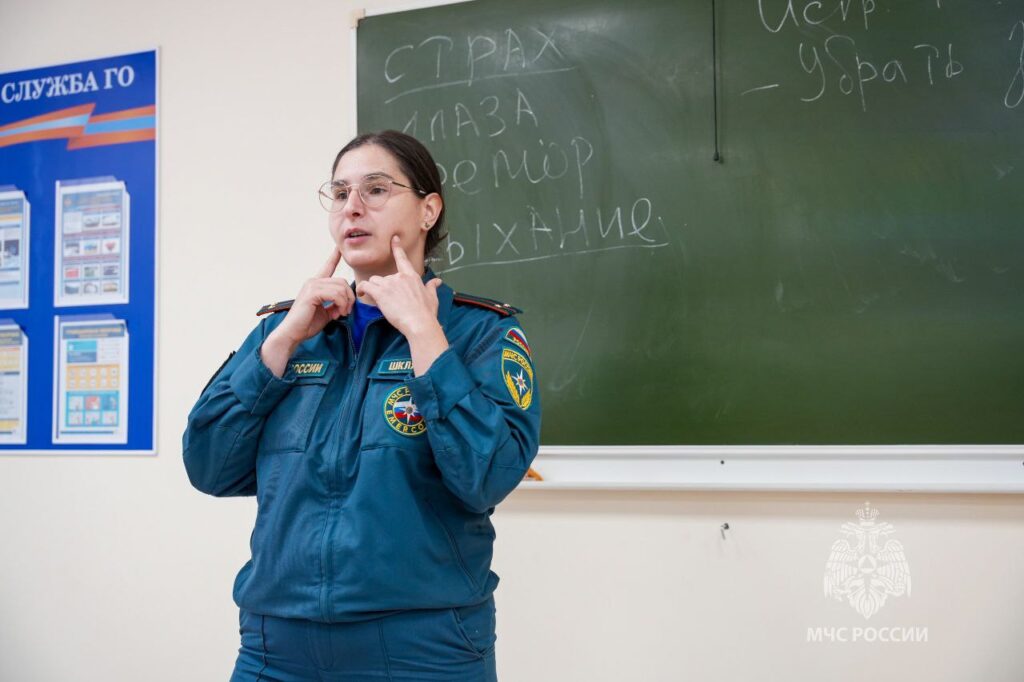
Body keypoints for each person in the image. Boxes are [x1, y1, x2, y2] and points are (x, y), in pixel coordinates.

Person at [182, 130, 541, 681]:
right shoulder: (288, 329)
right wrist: (281, 341)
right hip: (276, 646)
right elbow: (208, 466)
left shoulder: (480, 332)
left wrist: (424, 334)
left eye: (375, 189)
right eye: (339, 192)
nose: (352, 207)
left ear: (428, 210)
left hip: (425, 649)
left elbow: (487, 476)